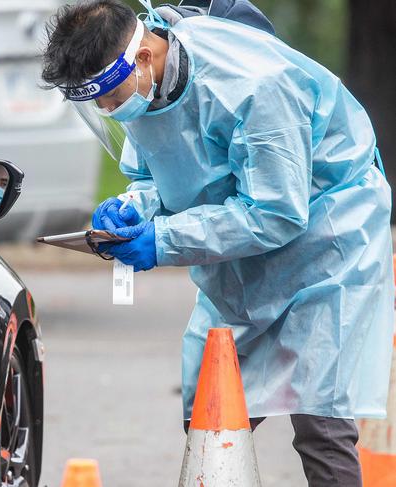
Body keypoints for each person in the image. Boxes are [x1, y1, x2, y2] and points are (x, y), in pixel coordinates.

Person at [41, 1, 394, 485]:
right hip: (238, 248)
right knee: (211, 413)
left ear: (144, 57)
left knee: (320, 421)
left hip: (325, 244)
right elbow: (153, 172)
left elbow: (276, 211)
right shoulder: (142, 87)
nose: (108, 110)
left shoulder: (255, 85)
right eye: (97, 103)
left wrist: (162, 239)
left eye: (109, 96)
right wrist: (135, 207)